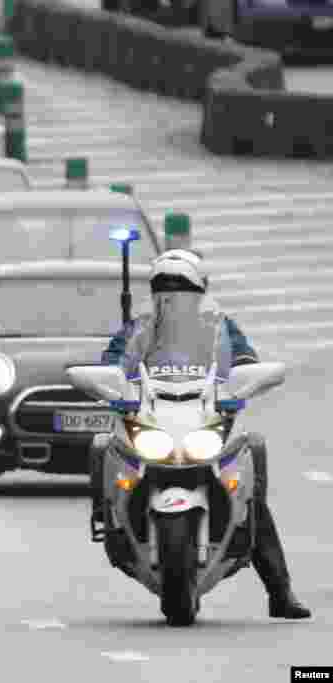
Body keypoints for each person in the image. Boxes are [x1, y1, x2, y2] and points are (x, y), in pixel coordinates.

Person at [93, 249, 311, 620]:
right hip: (155, 417)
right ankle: (109, 517)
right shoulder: (139, 328)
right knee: (106, 448)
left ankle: (279, 590)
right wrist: (114, 385)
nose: (173, 294)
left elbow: (244, 360)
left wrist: (243, 378)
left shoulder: (220, 327)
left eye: (180, 286)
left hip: (204, 417)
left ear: (199, 289)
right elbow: (114, 363)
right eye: (165, 286)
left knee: (246, 488)